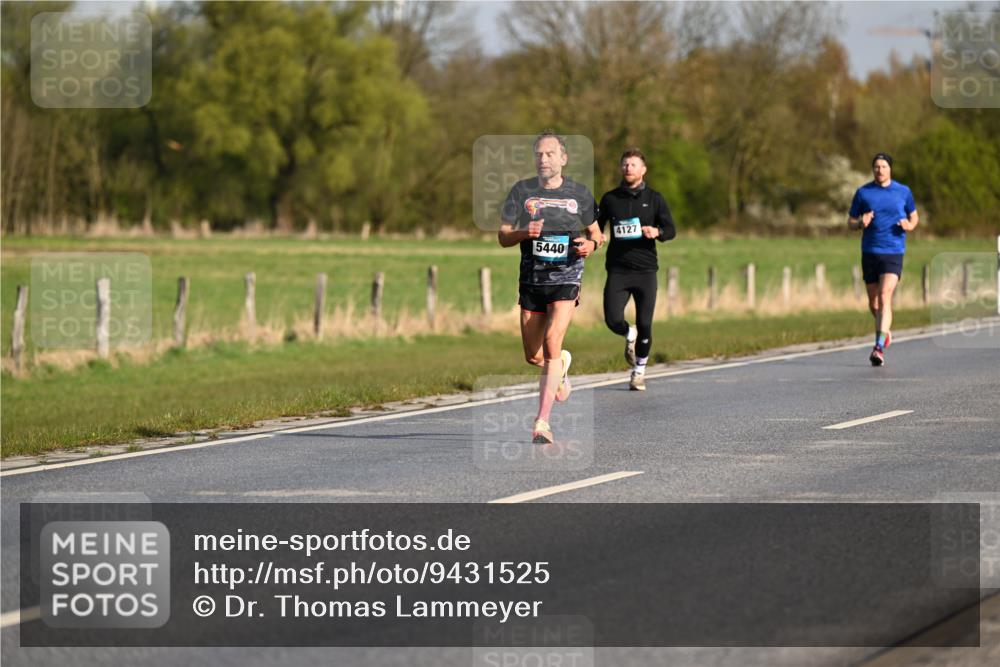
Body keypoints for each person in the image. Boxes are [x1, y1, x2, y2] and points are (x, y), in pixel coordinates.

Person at [498, 131, 603, 444]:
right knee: (534, 356)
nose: (544, 160)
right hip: (532, 280)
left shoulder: (580, 194)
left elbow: (598, 234)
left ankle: (542, 421)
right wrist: (523, 233)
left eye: (550, 154)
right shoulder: (521, 192)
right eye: (539, 155)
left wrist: (592, 245)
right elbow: (503, 236)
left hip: (566, 277)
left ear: (563, 158)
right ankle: (559, 368)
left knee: (552, 338)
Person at [597, 148, 676, 391]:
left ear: (643, 170)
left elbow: (670, 229)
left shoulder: (655, 199)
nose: (628, 168)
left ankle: (639, 371)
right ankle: (628, 333)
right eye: (625, 164)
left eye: (633, 164)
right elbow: (596, 228)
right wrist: (593, 239)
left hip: (645, 271)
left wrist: (657, 232)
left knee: (646, 323)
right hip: (618, 270)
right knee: (612, 319)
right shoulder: (610, 199)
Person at [848, 152, 919, 367]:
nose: (880, 170)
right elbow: (850, 222)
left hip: (893, 251)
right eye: (877, 167)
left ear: (890, 169)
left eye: (884, 166)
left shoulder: (903, 191)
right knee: (874, 303)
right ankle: (885, 332)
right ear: (873, 169)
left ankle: (878, 347)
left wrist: (909, 225)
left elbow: (914, 216)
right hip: (870, 251)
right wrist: (861, 222)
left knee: (885, 294)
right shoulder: (863, 193)